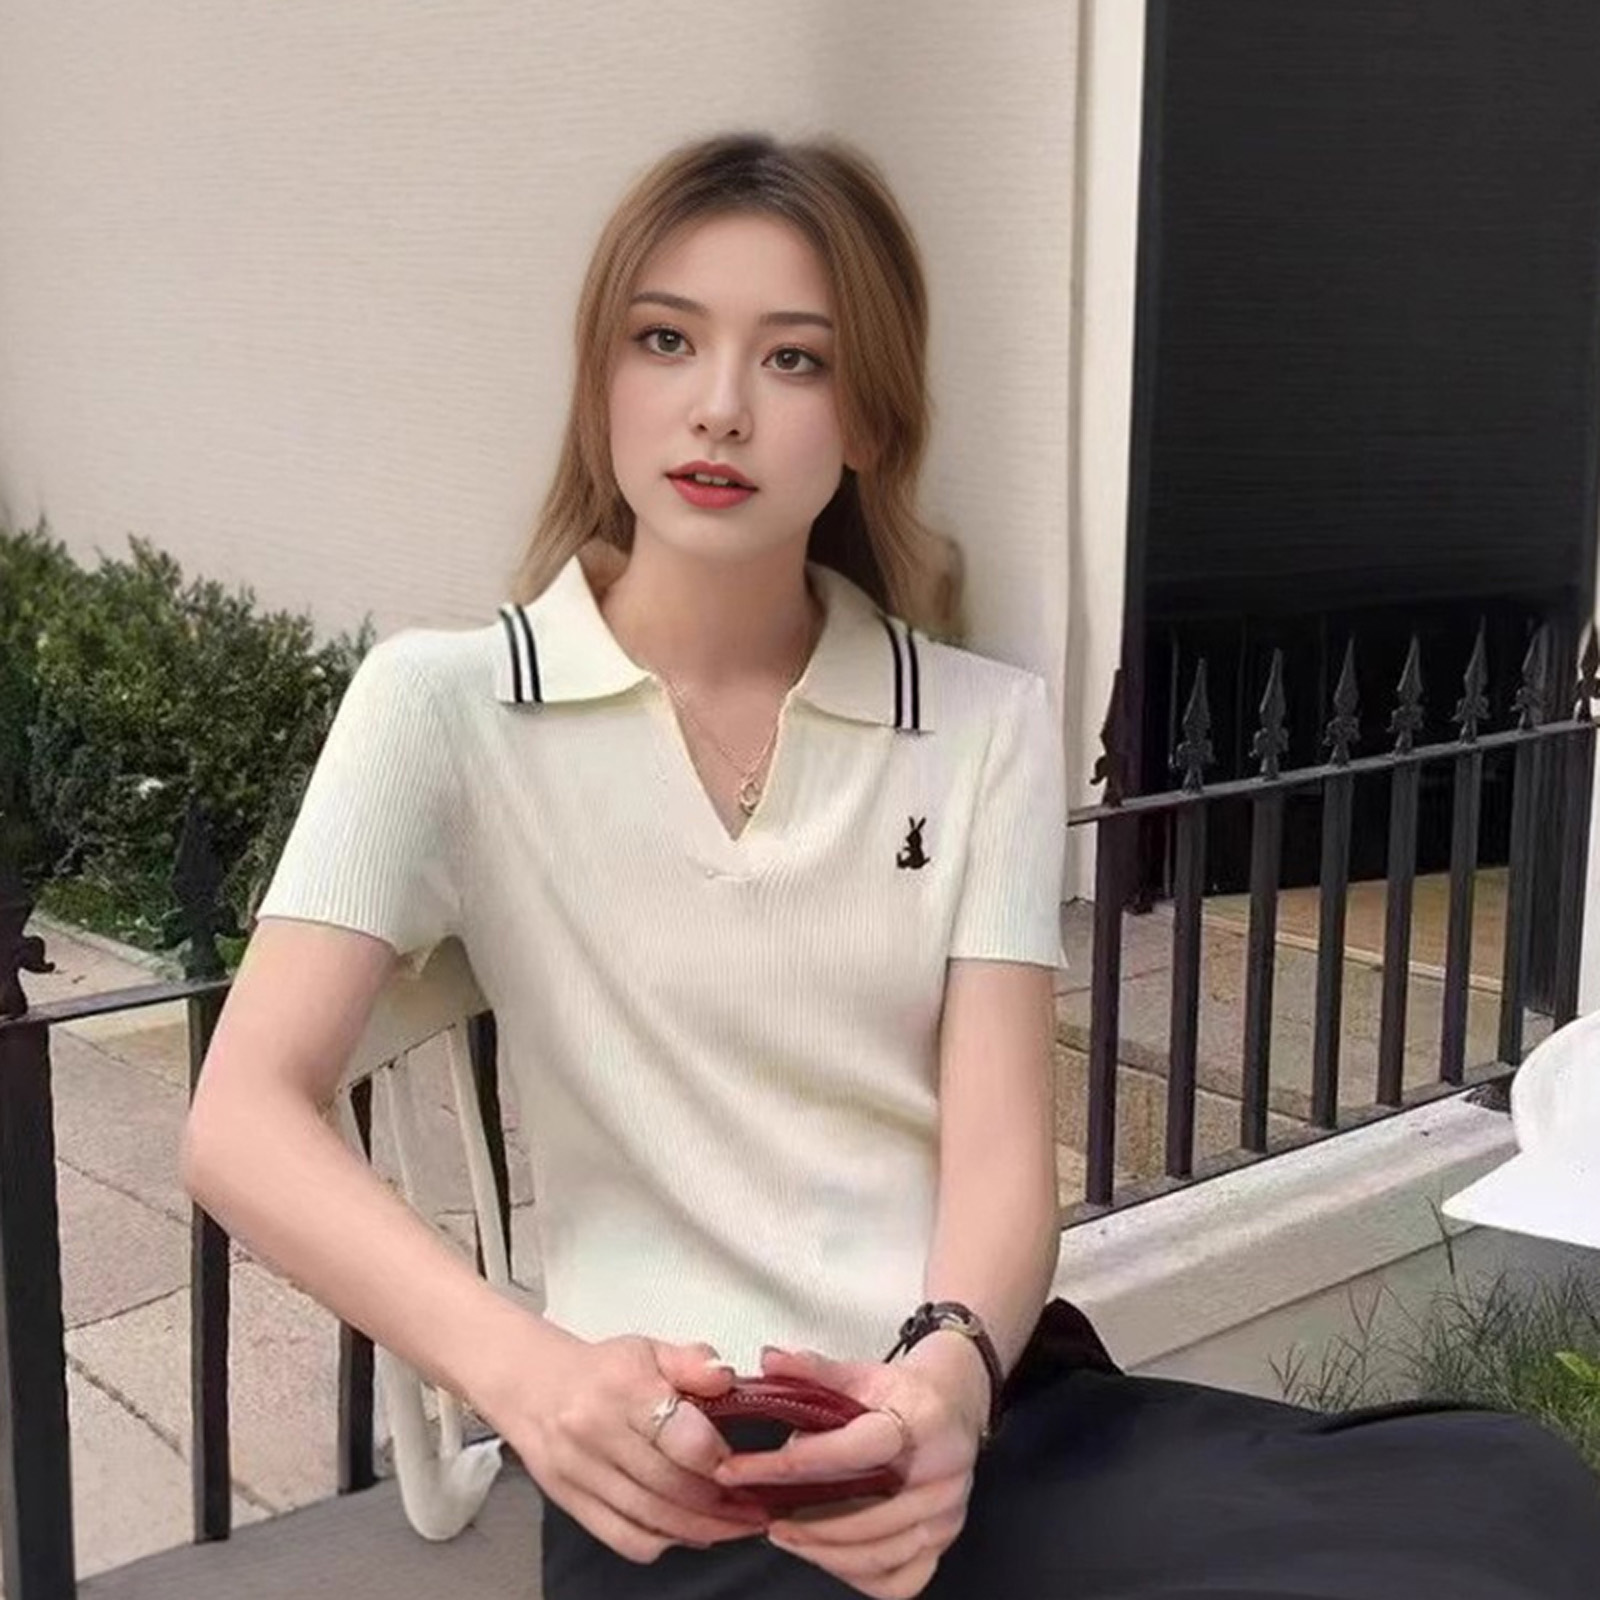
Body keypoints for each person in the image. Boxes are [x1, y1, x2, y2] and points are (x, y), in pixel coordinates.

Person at [183, 133, 1600, 1600]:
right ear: (601, 379)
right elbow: (239, 1117)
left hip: (965, 1409)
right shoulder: (444, 705)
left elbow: (998, 1156)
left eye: (794, 359)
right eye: (665, 339)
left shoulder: (982, 727)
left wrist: (947, 1386)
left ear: (867, 417)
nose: (719, 405)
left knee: (1513, 1513)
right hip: (675, 1470)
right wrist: (525, 1374)